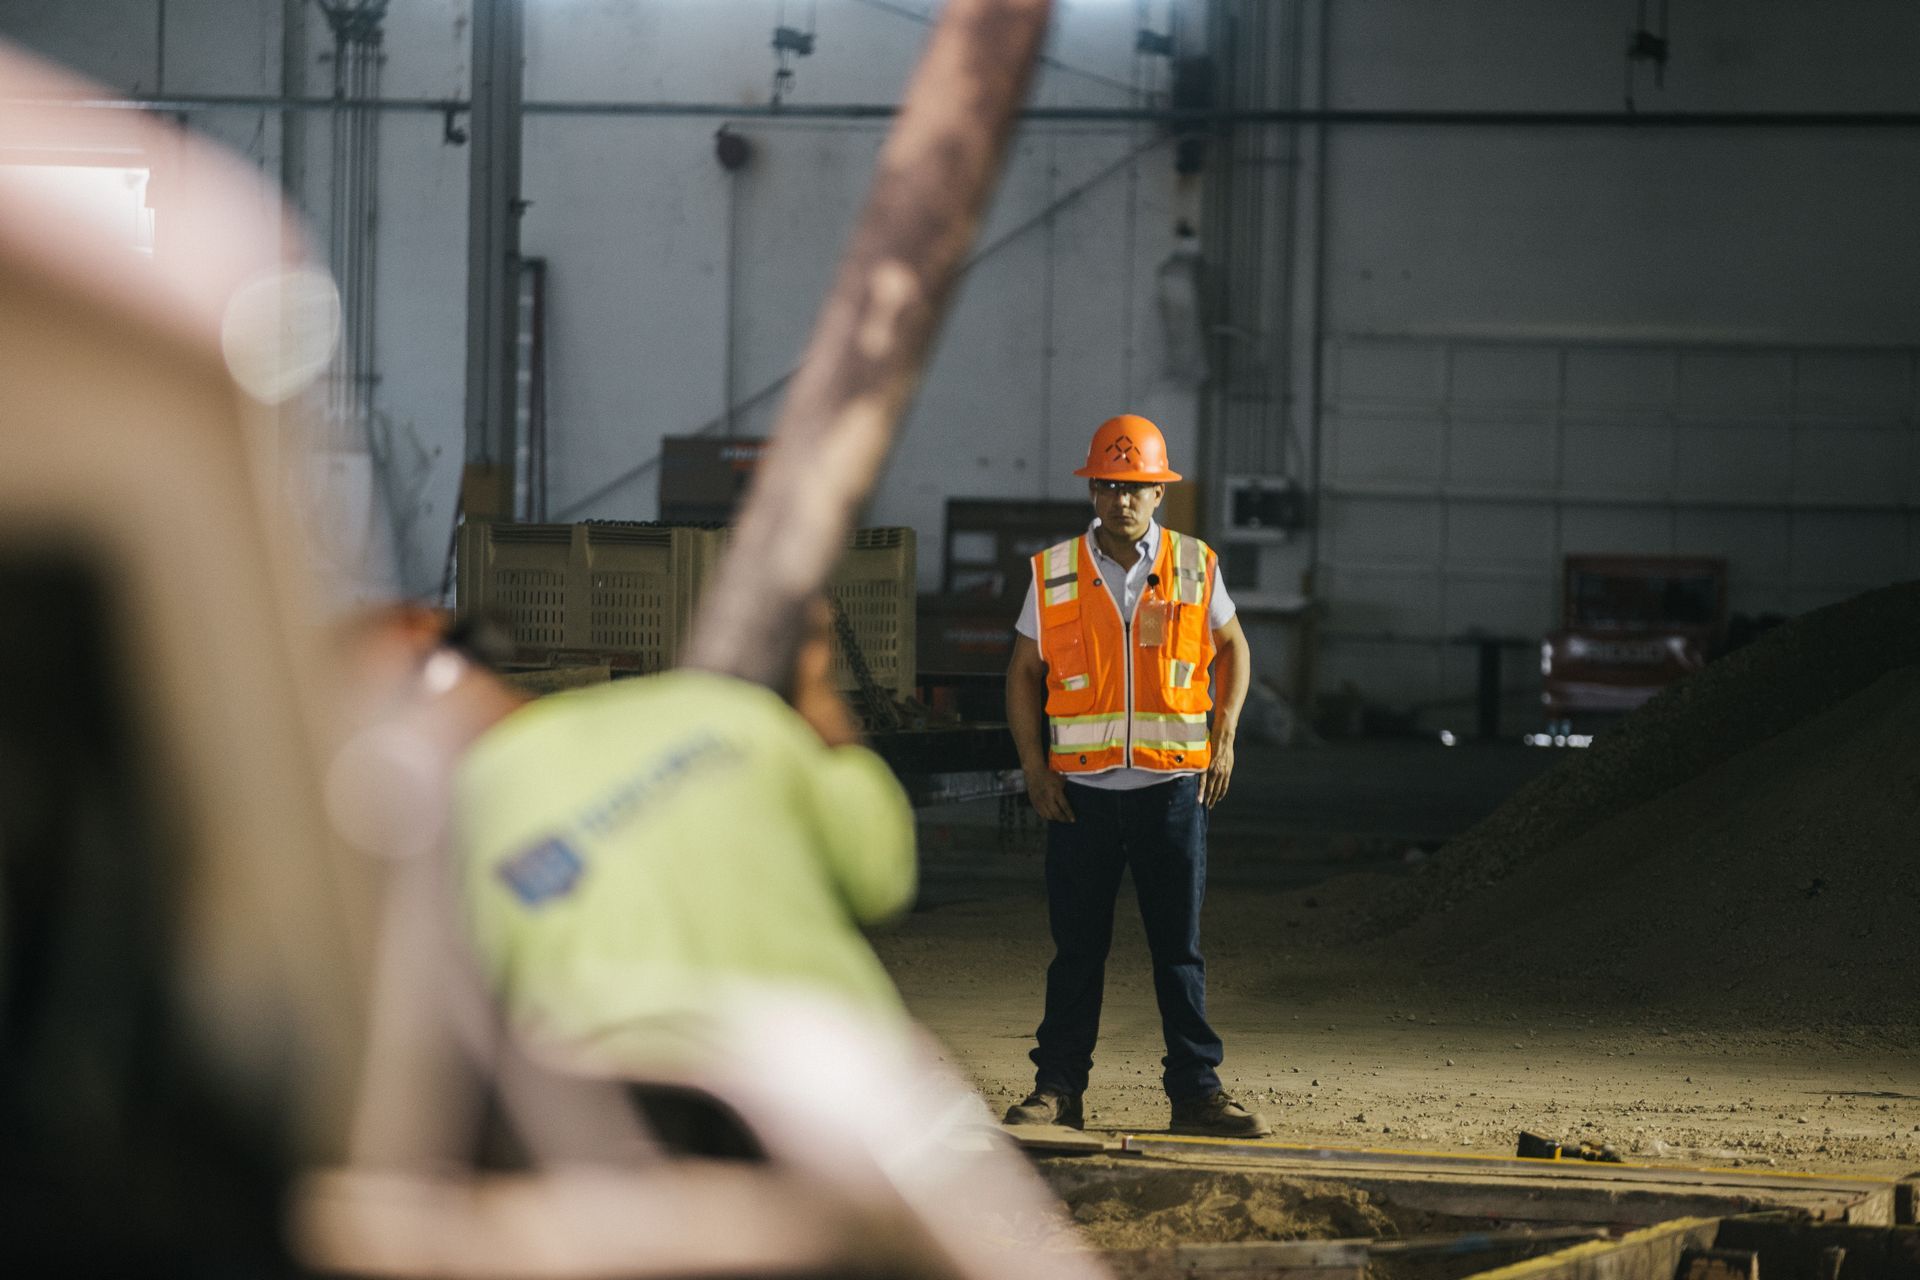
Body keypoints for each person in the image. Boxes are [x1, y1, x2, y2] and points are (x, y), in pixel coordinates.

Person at [336, 604, 1110, 1280]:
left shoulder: (435, 831)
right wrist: (817, 706)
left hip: (595, 1121)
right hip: (818, 1077)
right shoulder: (713, 713)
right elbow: (881, 873)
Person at [1002, 414, 1269, 1138]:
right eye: (1111, 485)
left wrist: (1226, 736)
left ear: (1160, 494)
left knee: (1177, 950)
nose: (1123, 498)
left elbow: (1234, 647)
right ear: (1094, 491)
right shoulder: (1055, 572)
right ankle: (1057, 1092)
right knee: (1077, 952)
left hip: (1172, 794)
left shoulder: (1195, 564)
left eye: (1138, 487)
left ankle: (1196, 1093)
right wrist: (1035, 766)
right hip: (1080, 798)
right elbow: (1024, 673)